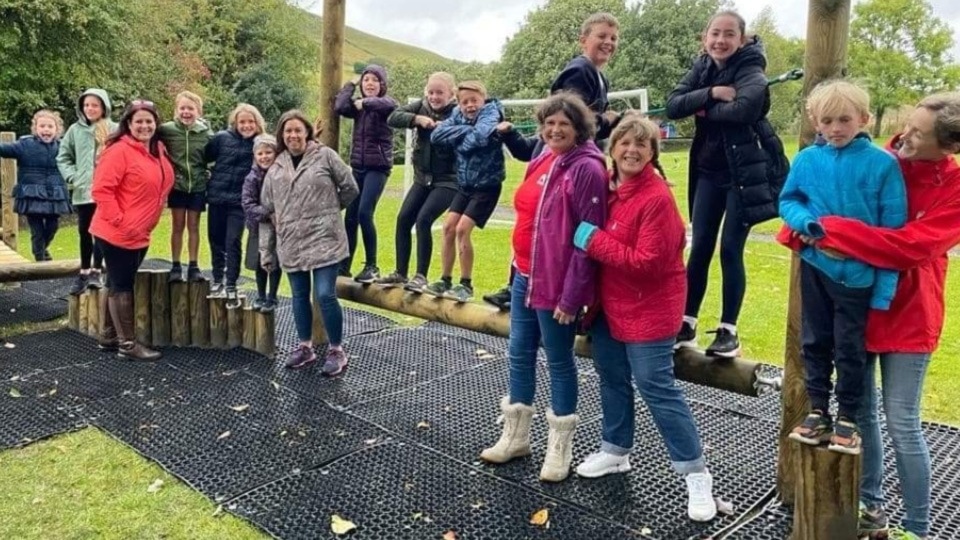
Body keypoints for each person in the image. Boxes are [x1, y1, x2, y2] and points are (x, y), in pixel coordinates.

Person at [802, 93, 960, 540]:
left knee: (902, 421)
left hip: (911, 312)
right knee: (863, 413)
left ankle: (917, 527)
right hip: (861, 300)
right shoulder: (878, 159)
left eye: (917, 133)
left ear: (948, 147)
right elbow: (813, 195)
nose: (904, 135)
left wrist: (831, 229)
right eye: (908, 124)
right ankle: (871, 506)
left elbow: (909, 246)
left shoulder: (953, 188)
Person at [571, 114, 716, 521]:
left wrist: (593, 240)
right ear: (612, 148)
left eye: (642, 145)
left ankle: (696, 474)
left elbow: (648, 263)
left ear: (653, 153)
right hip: (609, 306)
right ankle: (615, 451)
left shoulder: (656, 198)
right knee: (612, 377)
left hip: (650, 307)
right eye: (625, 143)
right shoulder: (609, 188)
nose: (632, 151)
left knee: (656, 386)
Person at [479, 93, 608, 483]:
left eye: (563, 124)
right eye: (549, 123)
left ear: (579, 128)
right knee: (518, 353)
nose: (554, 130)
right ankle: (516, 435)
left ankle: (559, 446)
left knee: (558, 359)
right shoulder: (542, 157)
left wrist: (573, 296)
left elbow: (588, 238)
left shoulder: (587, 169)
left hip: (556, 284)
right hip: (523, 274)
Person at [778, 80, 906, 455]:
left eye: (844, 120)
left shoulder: (882, 165)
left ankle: (848, 415)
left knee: (850, 348)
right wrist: (806, 224)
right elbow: (788, 200)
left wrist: (883, 292)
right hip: (817, 267)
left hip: (858, 276)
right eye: (828, 120)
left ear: (863, 119)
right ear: (816, 122)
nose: (835, 128)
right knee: (814, 341)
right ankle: (818, 410)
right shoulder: (807, 160)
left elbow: (893, 233)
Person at [665, 10, 789, 357]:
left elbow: (746, 110)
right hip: (708, 171)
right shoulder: (703, 67)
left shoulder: (752, 68)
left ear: (741, 39)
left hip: (743, 175)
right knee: (700, 246)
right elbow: (674, 105)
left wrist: (703, 109)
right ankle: (686, 322)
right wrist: (712, 93)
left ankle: (728, 330)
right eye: (715, 34)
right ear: (705, 38)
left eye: (728, 34)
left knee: (731, 248)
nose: (720, 40)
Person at [484, 11, 622, 311]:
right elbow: (568, 120)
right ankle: (521, 285)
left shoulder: (599, 76)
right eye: (602, 36)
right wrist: (609, 120)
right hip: (559, 162)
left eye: (613, 38)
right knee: (546, 220)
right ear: (583, 39)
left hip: (575, 162)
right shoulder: (578, 71)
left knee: (570, 225)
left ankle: (541, 287)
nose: (608, 42)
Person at [259, 110, 359, 374]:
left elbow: (350, 187)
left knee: (325, 294)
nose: (293, 135)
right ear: (281, 135)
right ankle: (305, 347)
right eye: (287, 131)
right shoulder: (276, 167)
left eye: (297, 130)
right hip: (292, 242)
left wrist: (330, 211)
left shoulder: (325, 156)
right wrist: (266, 250)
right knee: (299, 295)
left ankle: (337, 349)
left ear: (307, 132)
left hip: (325, 238)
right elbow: (267, 211)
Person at [89, 99, 174, 360]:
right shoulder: (118, 151)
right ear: (128, 124)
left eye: (149, 121)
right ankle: (127, 346)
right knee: (122, 286)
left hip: (139, 233)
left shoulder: (158, 150)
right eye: (139, 121)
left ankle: (108, 336)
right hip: (117, 233)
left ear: (156, 124)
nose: (144, 126)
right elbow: (101, 190)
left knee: (116, 283)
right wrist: (121, 221)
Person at [374, 72, 458, 292]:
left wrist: (445, 128)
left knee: (423, 219)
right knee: (403, 218)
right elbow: (393, 117)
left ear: (451, 94)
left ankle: (421, 276)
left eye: (440, 93)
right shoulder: (421, 107)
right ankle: (401, 273)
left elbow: (468, 129)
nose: (434, 97)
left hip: (448, 180)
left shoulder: (457, 113)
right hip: (423, 177)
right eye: (431, 92)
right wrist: (416, 119)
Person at [426, 81, 506, 302]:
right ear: (458, 103)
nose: (470, 106)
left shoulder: (491, 112)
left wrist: (459, 138)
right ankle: (445, 279)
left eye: (474, 101)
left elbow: (480, 137)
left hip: (487, 185)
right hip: (466, 184)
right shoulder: (457, 114)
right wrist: (467, 131)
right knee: (448, 227)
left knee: (462, 229)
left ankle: (466, 284)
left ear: (483, 98)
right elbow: (436, 137)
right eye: (465, 102)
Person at [334, 64, 397, 283]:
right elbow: (340, 107)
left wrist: (365, 102)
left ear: (382, 85)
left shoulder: (385, 106)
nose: (369, 84)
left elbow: (389, 103)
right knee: (350, 218)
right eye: (366, 80)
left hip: (377, 168)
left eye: (374, 80)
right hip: (358, 167)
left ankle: (372, 266)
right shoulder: (358, 108)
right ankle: (344, 266)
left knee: (364, 213)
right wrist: (350, 85)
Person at [205, 103, 266, 308]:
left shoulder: (260, 143)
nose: (246, 125)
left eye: (250, 121)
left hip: (240, 202)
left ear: (257, 123)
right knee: (216, 240)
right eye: (242, 122)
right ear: (235, 123)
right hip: (217, 197)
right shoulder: (222, 138)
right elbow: (205, 156)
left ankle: (231, 283)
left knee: (233, 242)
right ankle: (217, 279)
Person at [57, 88, 117, 295]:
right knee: (84, 230)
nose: (90, 109)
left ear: (104, 107)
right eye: (87, 105)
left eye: (95, 105)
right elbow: (63, 157)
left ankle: (96, 270)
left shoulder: (114, 129)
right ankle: (83, 269)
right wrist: (73, 177)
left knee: (101, 231)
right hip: (83, 190)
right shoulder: (75, 130)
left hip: (107, 190)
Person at [0, 110, 72, 261]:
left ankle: (43, 249)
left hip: (54, 195)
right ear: (35, 128)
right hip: (31, 195)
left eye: (50, 126)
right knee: (37, 230)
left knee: (52, 227)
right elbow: (5, 149)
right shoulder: (25, 145)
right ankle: (40, 259)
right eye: (42, 126)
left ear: (57, 129)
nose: (46, 129)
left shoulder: (63, 146)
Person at [159, 91, 212, 283]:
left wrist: (210, 171)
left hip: (197, 185)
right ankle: (175, 265)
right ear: (176, 110)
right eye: (182, 108)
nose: (186, 112)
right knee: (177, 226)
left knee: (194, 226)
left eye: (190, 108)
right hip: (178, 185)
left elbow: (213, 155)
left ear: (198, 111)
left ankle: (194, 265)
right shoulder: (167, 130)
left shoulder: (205, 133)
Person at [241, 134, 281, 312]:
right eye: (260, 154)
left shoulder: (281, 174)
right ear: (255, 156)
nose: (264, 157)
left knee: (276, 261)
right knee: (259, 262)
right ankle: (260, 295)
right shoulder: (252, 178)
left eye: (268, 152)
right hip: (258, 226)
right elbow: (247, 203)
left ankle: (272, 296)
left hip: (278, 228)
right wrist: (267, 213)